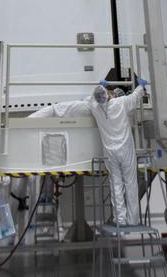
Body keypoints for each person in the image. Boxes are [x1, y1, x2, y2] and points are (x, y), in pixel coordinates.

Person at [32, 79, 147, 226]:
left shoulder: (95, 107)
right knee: (131, 184)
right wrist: (141, 86)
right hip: (126, 151)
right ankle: (133, 220)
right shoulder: (121, 103)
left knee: (116, 185)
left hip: (110, 153)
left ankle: (120, 220)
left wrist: (100, 87)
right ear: (112, 96)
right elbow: (135, 96)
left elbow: (92, 99)